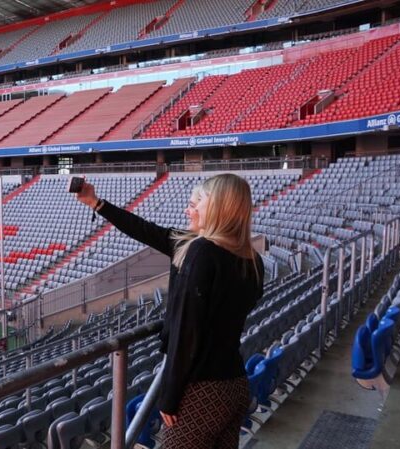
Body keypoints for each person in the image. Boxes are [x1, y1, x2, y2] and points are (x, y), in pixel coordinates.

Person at [75, 173, 264, 449]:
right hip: (234, 384)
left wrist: (170, 396)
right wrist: (96, 203)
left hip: (202, 392)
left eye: (195, 204)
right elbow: (145, 230)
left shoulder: (201, 252)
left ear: (215, 208)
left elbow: (187, 331)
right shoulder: (252, 259)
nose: (188, 210)